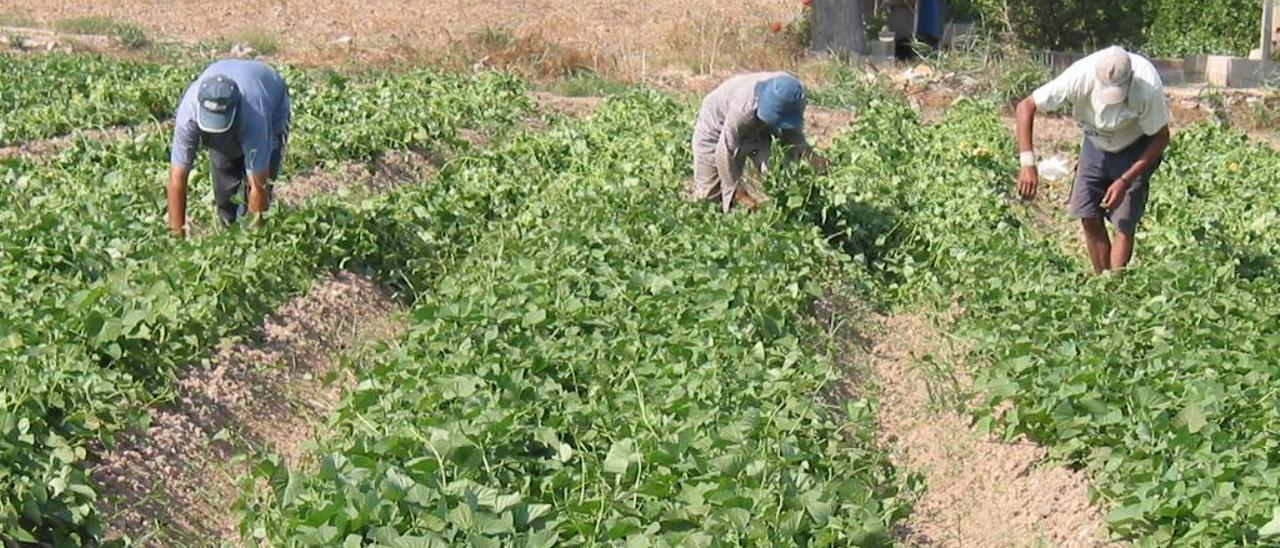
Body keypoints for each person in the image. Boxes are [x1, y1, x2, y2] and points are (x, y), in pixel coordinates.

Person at [1015, 46, 1171, 272]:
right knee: (1088, 213)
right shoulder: (1079, 76)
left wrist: (1125, 180)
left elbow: (1161, 137)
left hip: (1136, 147)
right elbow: (1025, 106)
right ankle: (1102, 281)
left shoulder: (1147, 85)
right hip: (1095, 145)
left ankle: (1116, 287)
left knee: (1124, 223)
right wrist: (1028, 163)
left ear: (1129, 80)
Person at [167, 59, 291, 236]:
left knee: (260, 185)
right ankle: (229, 229)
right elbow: (176, 178)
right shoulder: (189, 113)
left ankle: (251, 237)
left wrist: (250, 241)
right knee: (224, 184)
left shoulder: (255, 114)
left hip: (271, 104)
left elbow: (259, 185)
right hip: (238, 100)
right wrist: (176, 237)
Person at [691, 72, 829, 213]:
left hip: (762, 128)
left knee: (777, 176)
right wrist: (736, 192)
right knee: (708, 198)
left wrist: (812, 159)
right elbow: (724, 151)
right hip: (716, 127)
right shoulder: (743, 108)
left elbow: (793, 136)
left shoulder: (794, 95)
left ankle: (774, 217)